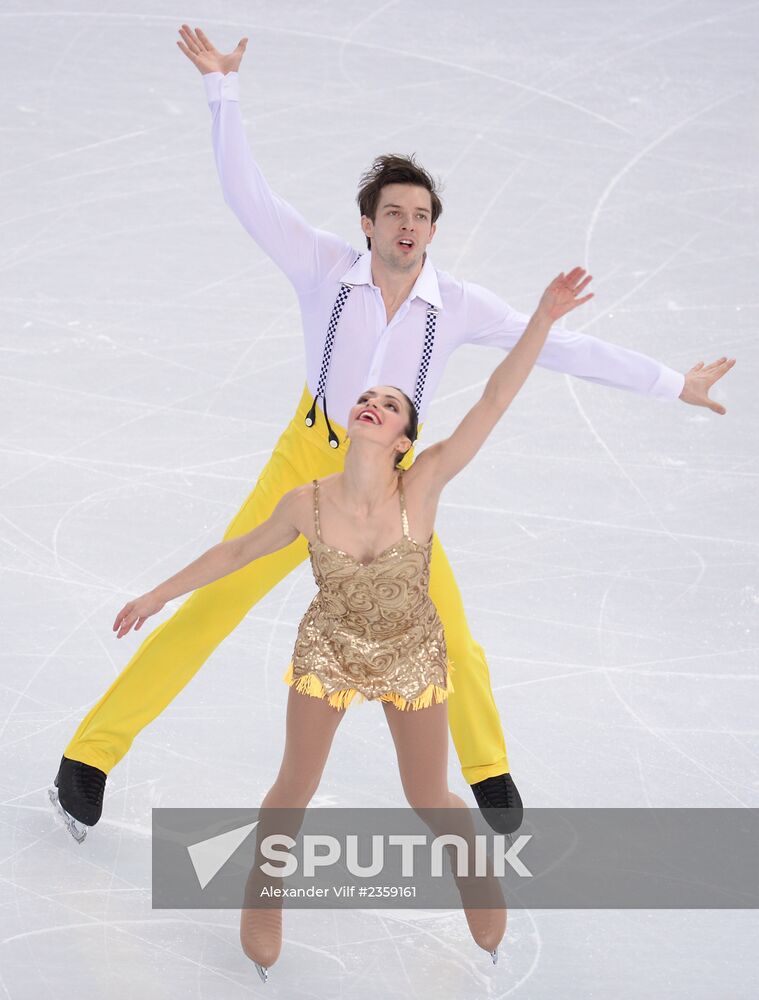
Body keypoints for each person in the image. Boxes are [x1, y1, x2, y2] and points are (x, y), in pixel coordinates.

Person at [48, 25, 735, 846]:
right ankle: (88, 758)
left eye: (421, 216)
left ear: (432, 231)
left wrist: (673, 383)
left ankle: (485, 771)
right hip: (307, 460)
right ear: (367, 224)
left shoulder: (459, 306)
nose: (407, 227)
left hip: (397, 485)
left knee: (449, 626)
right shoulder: (321, 269)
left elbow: (558, 346)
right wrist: (222, 90)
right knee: (212, 606)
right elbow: (247, 195)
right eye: (393, 213)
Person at [112, 266, 594, 980]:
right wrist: (158, 594)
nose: (371, 402)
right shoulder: (305, 501)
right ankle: (264, 890)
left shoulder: (423, 483)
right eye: (365, 396)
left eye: (389, 402)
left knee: (427, 796)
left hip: (407, 653)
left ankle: (472, 872)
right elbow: (237, 551)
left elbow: (492, 401)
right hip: (331, 650)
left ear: (404, 438)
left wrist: (542, 320)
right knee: (293, 786)